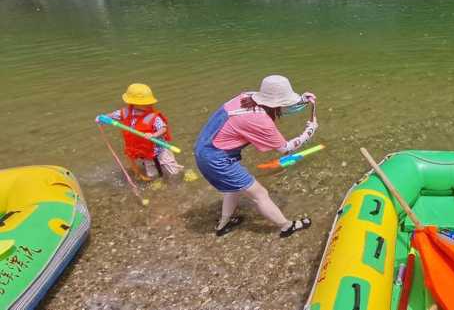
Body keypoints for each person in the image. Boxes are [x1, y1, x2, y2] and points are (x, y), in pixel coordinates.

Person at [194, 75, 317, 237]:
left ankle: (223, 225)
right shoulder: (260, 121)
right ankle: (286, 226)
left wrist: (302, 101)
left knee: (234, 188)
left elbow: (278, 106)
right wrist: (309, 131)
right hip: (216, 158)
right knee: (260, 194)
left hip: (204, 146)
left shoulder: (247, 96)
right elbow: (285, 149)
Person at [98, 83, 184, 181]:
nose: (148, 104)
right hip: (145, 152)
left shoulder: (153, 116)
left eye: (149, 103)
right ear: (132, 102)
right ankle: (157, 184)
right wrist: (102, 118)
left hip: (160, 150)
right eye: (144, 103)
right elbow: (112, 116)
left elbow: (163, 128)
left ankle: (183, 177)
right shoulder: (125, 112)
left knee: (173, 170)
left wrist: (154, 135)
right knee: (152, 174)